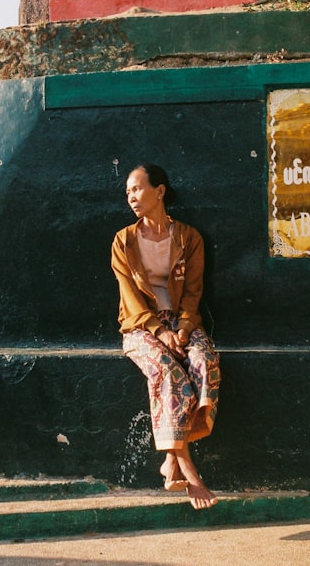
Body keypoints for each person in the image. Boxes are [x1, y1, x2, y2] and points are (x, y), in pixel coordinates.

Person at [111, 163, 221, 510]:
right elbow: (130, 298)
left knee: (204, 361)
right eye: (128, 191)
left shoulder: (189, 237)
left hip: (182, 322)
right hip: (141, 327)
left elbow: (193, 291)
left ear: (159, 191)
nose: (132, 197)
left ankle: (169, 461)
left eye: (138, 189)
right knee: (170, 374)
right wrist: (160, 331)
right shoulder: (123, 241)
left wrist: (184, 328)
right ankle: (189, 470)